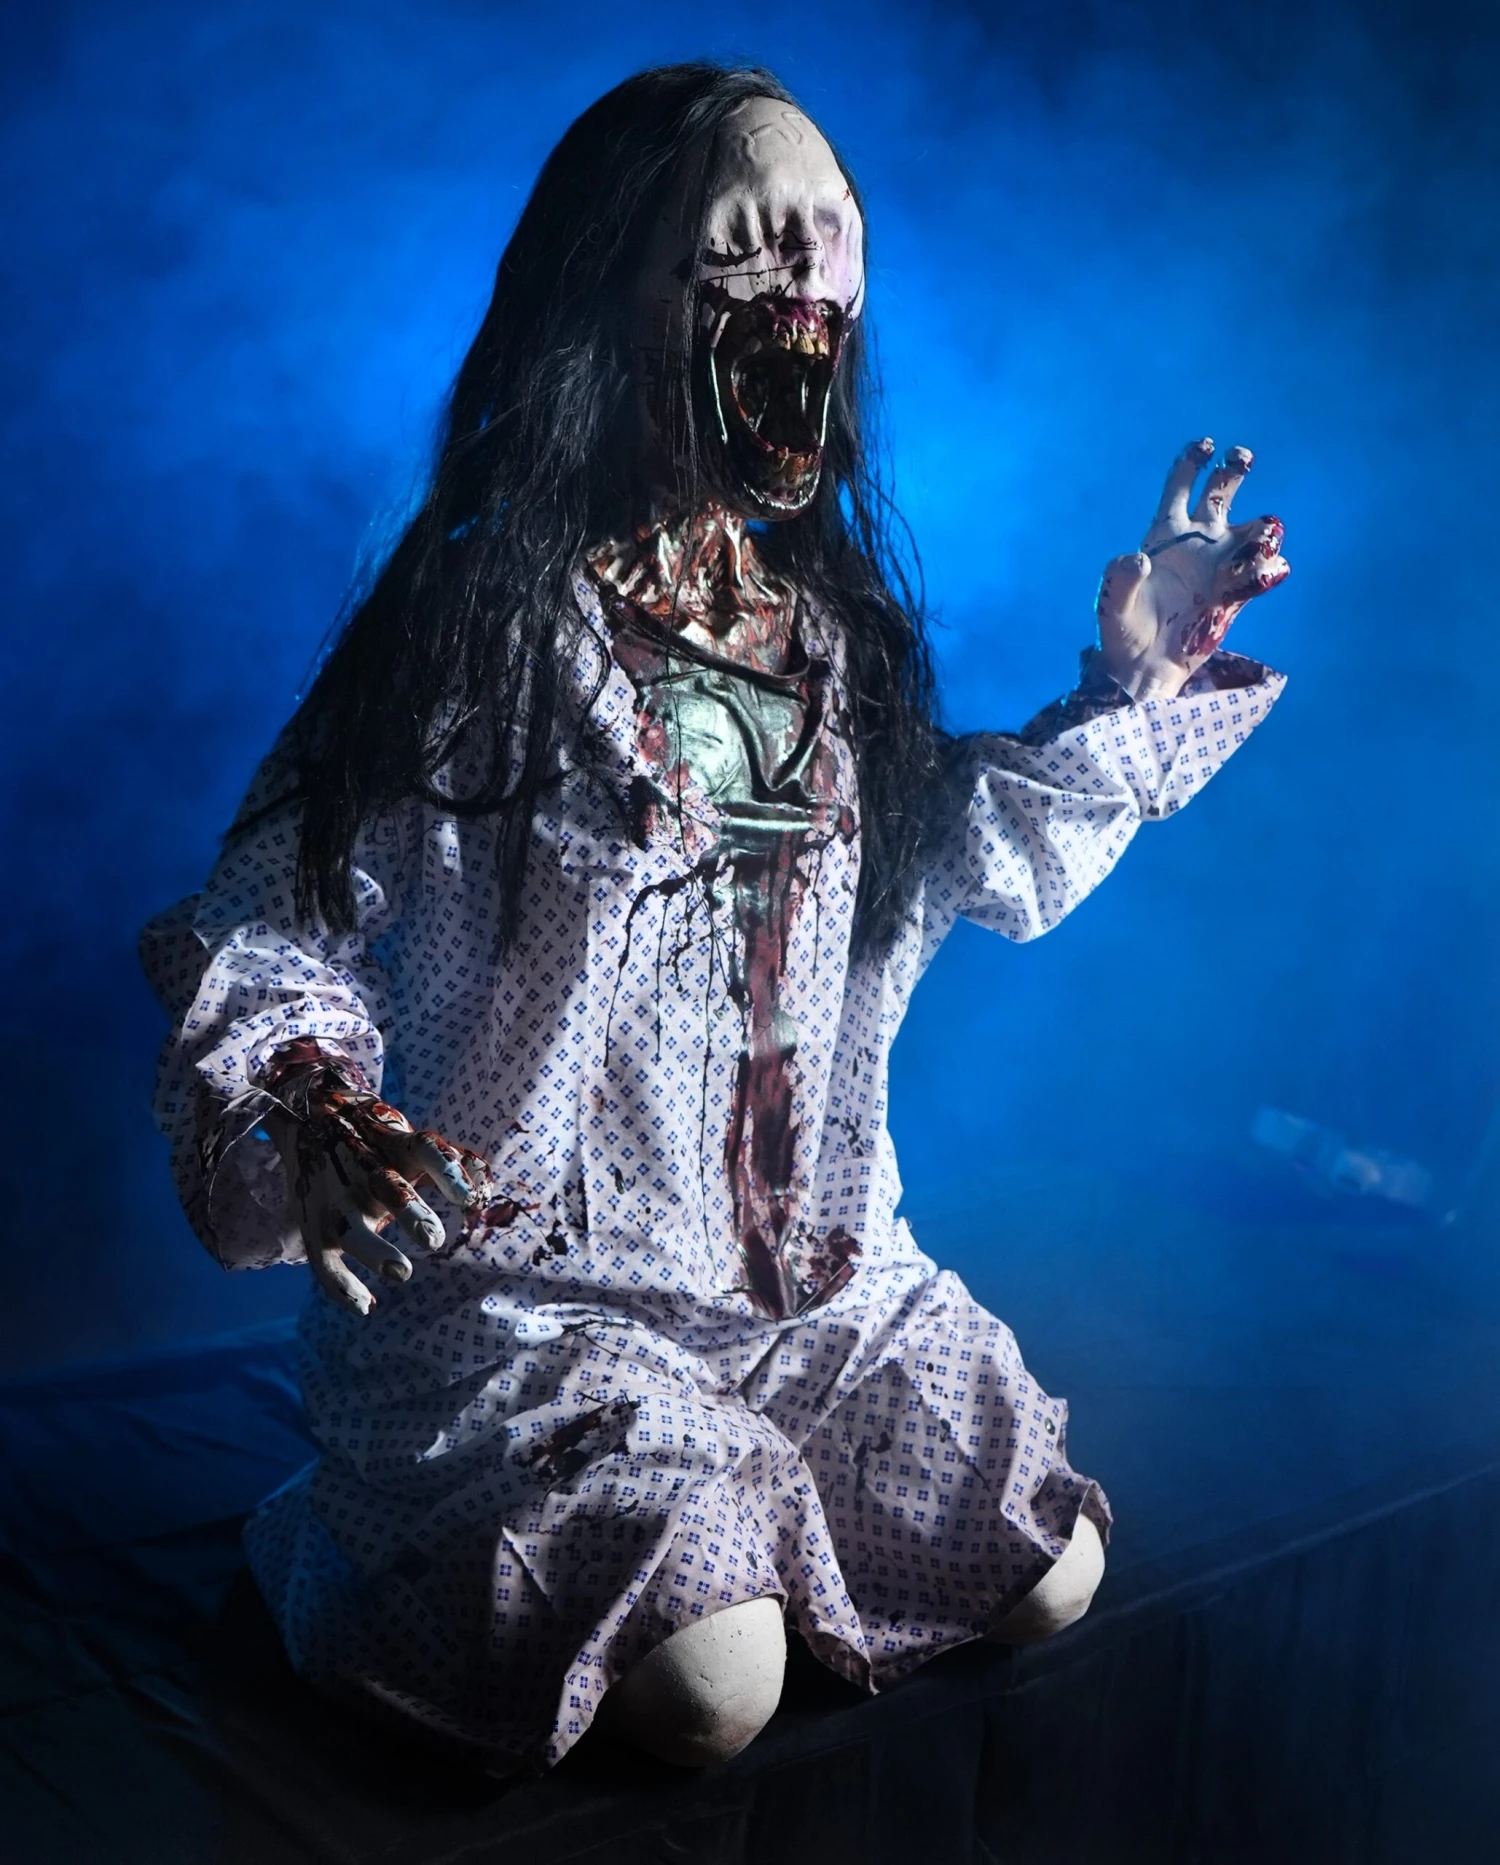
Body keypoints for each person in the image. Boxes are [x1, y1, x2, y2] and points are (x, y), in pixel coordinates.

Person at [143, 61, 1288, 1772]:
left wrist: (1130, 691)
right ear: (617, 297)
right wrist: (312, 1106)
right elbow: (271, 920)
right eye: (750, 257)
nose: (804, 299)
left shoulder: (829, 639)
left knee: (1048, 1570)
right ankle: (343, 1555)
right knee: (712, 1692)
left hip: (812, 1287)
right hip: (536, 1302)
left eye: (830, 262)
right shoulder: (485, 624)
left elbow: (956, 864)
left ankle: (734, 1508)